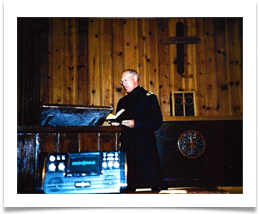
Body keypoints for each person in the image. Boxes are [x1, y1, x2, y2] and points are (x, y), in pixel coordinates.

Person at [112, 69, 163, 192]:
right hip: (128, 146)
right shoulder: (122, 101)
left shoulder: (149, 98)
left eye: (126, 80)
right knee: (129, 186)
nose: (123, 84)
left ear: (135, 78)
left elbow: (156, 121)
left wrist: (136, 124)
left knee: (154, 185)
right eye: (122, 81)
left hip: (145, 145)